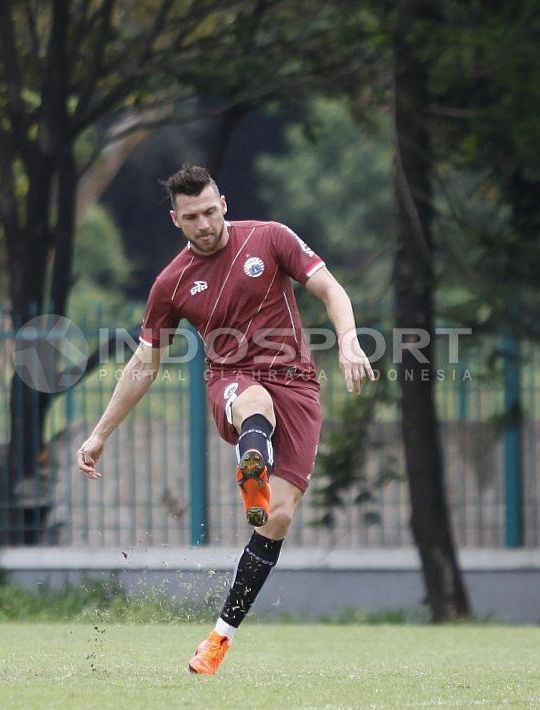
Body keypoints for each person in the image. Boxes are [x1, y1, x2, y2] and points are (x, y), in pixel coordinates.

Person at [76, 164, 375, 675]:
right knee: (252, 401)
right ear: (176, 220)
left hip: (299, 384)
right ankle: (252, 465)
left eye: (211, 211)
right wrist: (100, 433)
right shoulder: (171, 284)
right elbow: (144, 364)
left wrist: (347, 339)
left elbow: (330, 288)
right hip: (233, 377)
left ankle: (219, 638)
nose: (205, 224)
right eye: (192, 216)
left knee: (278, 517)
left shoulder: (270, 238)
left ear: (225, 205)